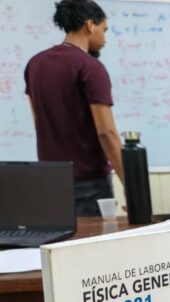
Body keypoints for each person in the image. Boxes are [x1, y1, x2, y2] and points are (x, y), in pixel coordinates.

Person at [24, 0, 124, 217]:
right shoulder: (90, 67)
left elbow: (39, 121)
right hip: (89, 184)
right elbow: (107, 133)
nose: (105, 38)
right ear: (90, 25)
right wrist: (130, 184)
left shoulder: (34, 64)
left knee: (57, 238)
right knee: (93, 239)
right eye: (104, 30)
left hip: (51, 181)